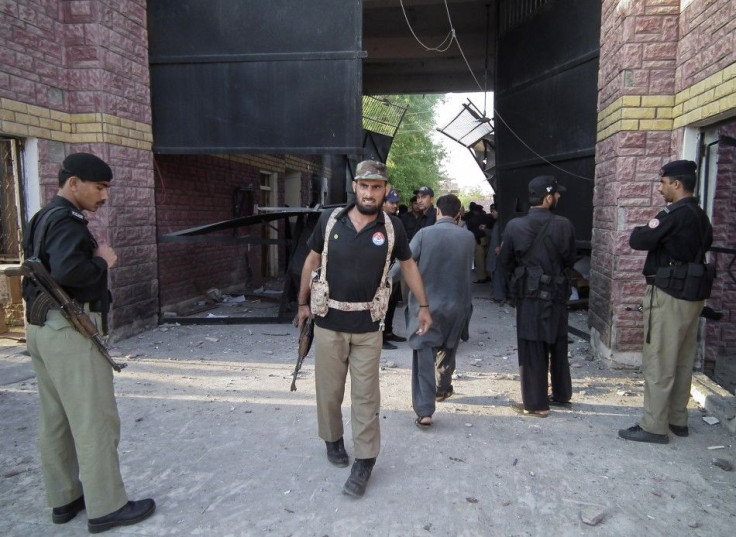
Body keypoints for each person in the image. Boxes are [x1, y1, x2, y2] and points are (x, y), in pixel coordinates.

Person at [22, 153, 155, 533]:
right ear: (73, 182)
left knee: (56, 419)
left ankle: (64, 499)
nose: (104, 196)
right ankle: (107, 506)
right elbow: (70, 272)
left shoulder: (42, 217)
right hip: (70, 330)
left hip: (43, 329)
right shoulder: (67, 222)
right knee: (94, 420)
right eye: (99, 187)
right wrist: (103, 261)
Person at [296, 160, 432, 498]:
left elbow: (409, 265)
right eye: (364, 186)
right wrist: (302, 304)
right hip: (329, 323)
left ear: (385, 189)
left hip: (369, 326)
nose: (369, 193)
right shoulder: (330, 221)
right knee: (328, 392)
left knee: (366, 397)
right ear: (355, 186)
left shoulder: (392, 227)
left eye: (376, 187)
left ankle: (365, 461)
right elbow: (311, 262)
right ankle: (332, 440)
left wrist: (424, 306)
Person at [618, 160, 713, 444]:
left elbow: (640, 239)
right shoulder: (700, 215)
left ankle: (654, 426)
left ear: (676, 184)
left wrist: (642, 231)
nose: (660, 189)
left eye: (663, 183)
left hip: (669, 294)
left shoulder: (674, 213)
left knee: (659, 359)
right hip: (693, 296)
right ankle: (677, 419)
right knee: (683, 360)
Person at [499, 175, 576, 417]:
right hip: (557, 295)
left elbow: (505, 261)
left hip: (529, 296)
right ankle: (562, 395)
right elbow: (570, 259)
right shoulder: (564, 224)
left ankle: (536, 403)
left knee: (532, 347)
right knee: (559, 342)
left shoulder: (514, 226)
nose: (559, 197)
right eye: (557, 193)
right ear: (548, 196)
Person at [397, 194, 475, 426]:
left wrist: (383, 281)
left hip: (427, 306)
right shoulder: (468, 237)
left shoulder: (424, 234)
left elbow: (405, 263)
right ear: (459, 214)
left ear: (438, 212)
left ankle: (425, 410)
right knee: (448, 347)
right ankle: (442, 389)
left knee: (423, 353)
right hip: (457, 305)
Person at [381, 188, 407, 349]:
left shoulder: (395, 221)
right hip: (380, 268)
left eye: (396, 203)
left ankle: (388, 332)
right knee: (381, 304)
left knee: (391, 303)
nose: (395, 206)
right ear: (383, 203)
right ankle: (380, 337)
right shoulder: (377, 220)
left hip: (393, 267)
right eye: (391, 202)